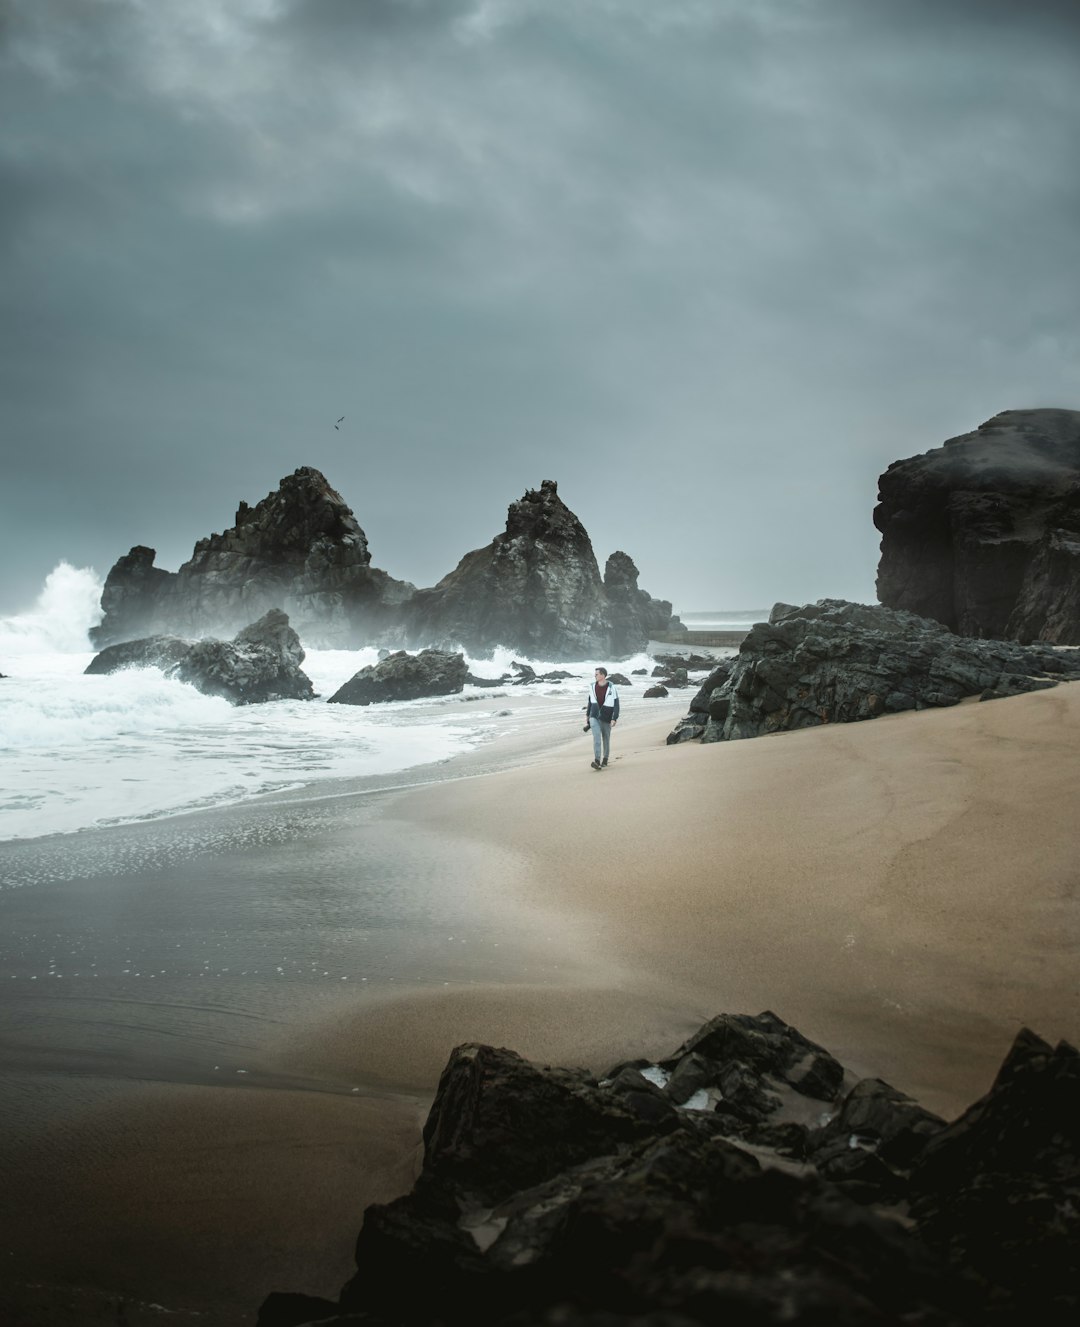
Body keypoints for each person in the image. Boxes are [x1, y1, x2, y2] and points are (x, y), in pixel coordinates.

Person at [583, 666, 620, 770]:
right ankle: (597, 760)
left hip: (606, 717)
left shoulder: (612, 688)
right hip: (594, 716)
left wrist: (614, 718)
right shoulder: (592, 686)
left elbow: (616, 704)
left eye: (597, 674)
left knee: (606, 738)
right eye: (595, 674)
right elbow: (590, 701)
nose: (595, 675)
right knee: (597, 737)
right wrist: (587, 714)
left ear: (603, 675)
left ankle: (605, 759)